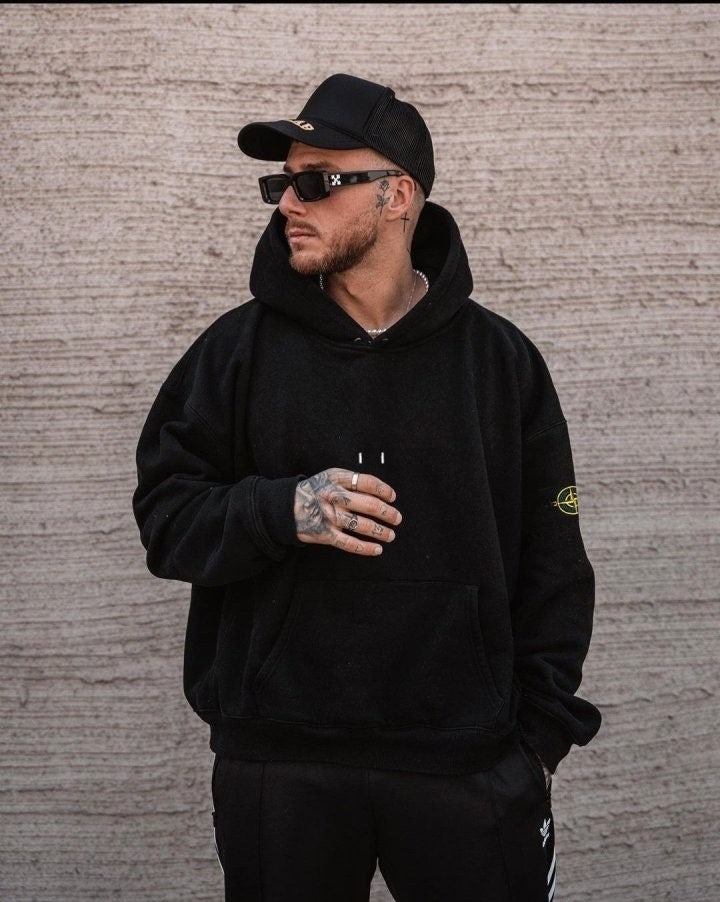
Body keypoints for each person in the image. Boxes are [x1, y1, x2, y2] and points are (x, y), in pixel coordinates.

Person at [132, 73, 601, 902]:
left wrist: (537, 739)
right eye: (282, 184)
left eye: (317, 182)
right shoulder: (235, 354)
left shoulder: (499, 364)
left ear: (398, 196)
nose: (288, 203)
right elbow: (166, 520)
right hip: (283, 767)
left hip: (467, 767)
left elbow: (555, 563)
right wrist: (281, 509)